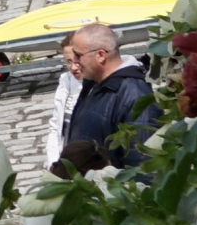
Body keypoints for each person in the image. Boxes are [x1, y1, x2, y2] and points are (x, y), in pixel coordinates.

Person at [54, 22, 159, 175]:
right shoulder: (94, 84)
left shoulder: (134, 95)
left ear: (101, 56)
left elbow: (144, 166)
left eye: (78, 55)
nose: (74, 63)